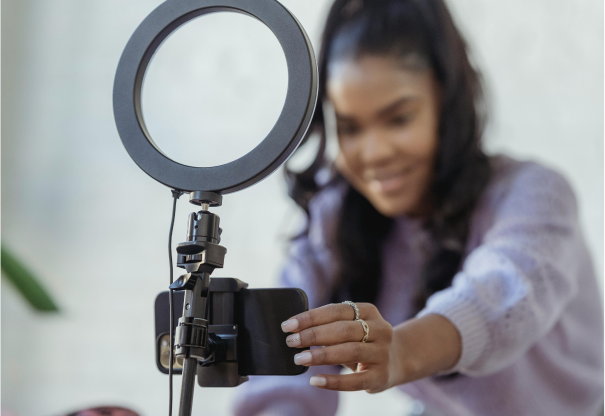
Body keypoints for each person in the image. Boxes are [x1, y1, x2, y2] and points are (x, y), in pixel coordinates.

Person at [233, 0, 605, 415]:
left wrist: (400, 352)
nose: (374, 153)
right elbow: (285, 375)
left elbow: (502, 294)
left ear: (446, 103)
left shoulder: (534, 194)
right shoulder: (334, 218)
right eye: (350, 128)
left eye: (399, 119)